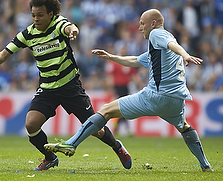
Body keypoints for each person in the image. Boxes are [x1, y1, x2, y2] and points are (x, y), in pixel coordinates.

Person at [44, 9, 213, 172]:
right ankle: (205, 164)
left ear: (153, 23)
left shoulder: (157, 34)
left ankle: (72, 143)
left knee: (106, 111)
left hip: (156, 96)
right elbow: (135, 60)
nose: (139, 28)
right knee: (184, 126)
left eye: (142, 24)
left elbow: (173, 45)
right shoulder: (160, 48)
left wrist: (185, 55)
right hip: (176, 100)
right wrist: (111, 57)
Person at [0, 0, 130, 171]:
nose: (36, 19)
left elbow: (69, 27)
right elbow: (6, 52)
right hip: (47, 89)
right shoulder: (28, 34)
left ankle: (117, 147)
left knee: (97, 130)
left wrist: (73, 31)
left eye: (40, 15)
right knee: (31, 124)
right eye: (33, 15)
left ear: (51, 14)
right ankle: (50, 157)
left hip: (71, 87)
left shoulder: (58, 24)